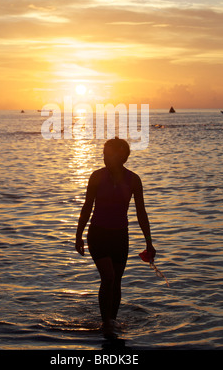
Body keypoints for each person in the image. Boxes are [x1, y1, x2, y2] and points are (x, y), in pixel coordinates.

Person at [75, 137, 156, 338]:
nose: (104, 157)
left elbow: (141, 212)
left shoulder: (134, 180)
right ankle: (106, 324)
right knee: (108, 277)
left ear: (122, 156)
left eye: (108, 154)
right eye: (103, 153)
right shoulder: (96, 177)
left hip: (120, 236)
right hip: (98, 234)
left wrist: (149, 242)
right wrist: (78, 235)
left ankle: (112, 320)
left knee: (117, 280)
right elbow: (86, 208)